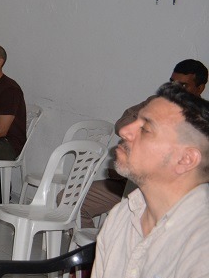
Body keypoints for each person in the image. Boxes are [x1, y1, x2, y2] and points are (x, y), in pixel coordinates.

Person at [10, 82, 209, 278]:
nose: (126, 130)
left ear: (186, 159)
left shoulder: (200, 248)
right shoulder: (124, 214)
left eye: (146, 129)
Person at [79, 58, 206, 227]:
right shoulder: (155, 103)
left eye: (183, 86)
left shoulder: (201, 121)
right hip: (129, 185)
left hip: (164, 198)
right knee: (74, 202)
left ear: (200, 88)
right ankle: (91, 252)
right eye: (172, 83)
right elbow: (121, 125)